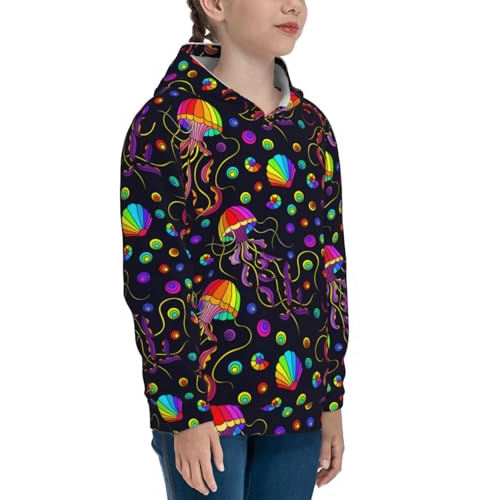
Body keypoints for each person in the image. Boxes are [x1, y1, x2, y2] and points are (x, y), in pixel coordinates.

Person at [119, 0, 349, 497]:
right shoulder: (163, 122)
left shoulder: (313, 128)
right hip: (205, 404)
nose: (293, 5)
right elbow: (153, 277)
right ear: (216, 4)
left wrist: (331, 396)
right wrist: (181, 411)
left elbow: (330, 267)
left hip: (300, 400)